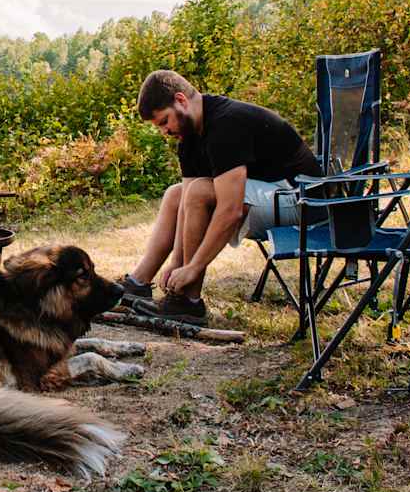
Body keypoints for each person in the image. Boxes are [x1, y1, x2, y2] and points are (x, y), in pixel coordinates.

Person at [119, 70, 322, 326]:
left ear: (181, 100)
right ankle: (137, 284)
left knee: (200, 192)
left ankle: (187, 301)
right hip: (271, 195)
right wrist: (176, 264)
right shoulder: (189, 136)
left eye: (164, 121)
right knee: (175, 194)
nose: (164, 131)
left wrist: (191, 269)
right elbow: (185, 204)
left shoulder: (226, 124)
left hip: (303, 200)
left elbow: (230, 210)